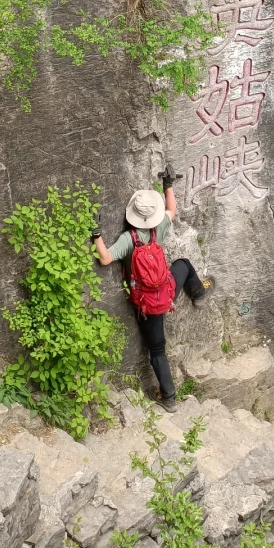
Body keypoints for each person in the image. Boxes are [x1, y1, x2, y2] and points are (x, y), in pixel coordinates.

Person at [92, 165, 213, 412]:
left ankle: (168, 397)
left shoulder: (128, 240)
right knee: (183, 264)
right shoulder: (158, 230)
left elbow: (104, 259)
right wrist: (167, 184)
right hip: (166, 292)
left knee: (157, 350)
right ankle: (199, 293)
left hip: (146, 305)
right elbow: (172, 210)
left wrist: (96, 234)